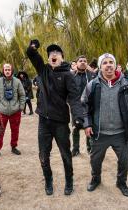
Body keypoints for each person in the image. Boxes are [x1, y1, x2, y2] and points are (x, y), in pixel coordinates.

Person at [81, 53, 128, 196]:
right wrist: (87, 124)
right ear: (100, 67)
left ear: (115, 65)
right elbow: (83, 106)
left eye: (111, 62)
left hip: (121, 133)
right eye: (105, 63)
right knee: (95, 161)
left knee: (124, 161)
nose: (108, 65)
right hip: (99, 133)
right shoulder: (92, 85)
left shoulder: (127, 84)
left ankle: (121, 182)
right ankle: (95, 179)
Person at [26, 39, 84, 196]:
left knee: (65, 154)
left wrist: (78, 117)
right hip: (44, 122)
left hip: (60, 123)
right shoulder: (43, 70)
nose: (54, 54)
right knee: (43, 155)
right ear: (48, 58)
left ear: (62, 58)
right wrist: (33, 46)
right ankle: (49, 180)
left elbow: (74, 99)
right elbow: (31, 54)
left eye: (57, 53)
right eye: (51, 53)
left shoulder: (68, 75)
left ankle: (69, 181)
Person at [0, 64, 26, 157]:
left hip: (15, 111)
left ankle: (14, 147)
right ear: (3, 71)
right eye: (6, 69)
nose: (7, 71)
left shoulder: (17, 81)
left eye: (9, 69)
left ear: (12, 70)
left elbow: (22, 95)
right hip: (2, 112)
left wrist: (21, 107)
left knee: (15, 131)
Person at [71, 55, 94, 156]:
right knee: (75, 128)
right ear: (76, 63)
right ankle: (76, 149)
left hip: (89, 106)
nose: (83, 62)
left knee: (88, 127)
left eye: (85, 61)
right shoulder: (71, 75)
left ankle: (90, 148)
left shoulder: (91, 75)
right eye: (80, 61)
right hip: (76, 106)